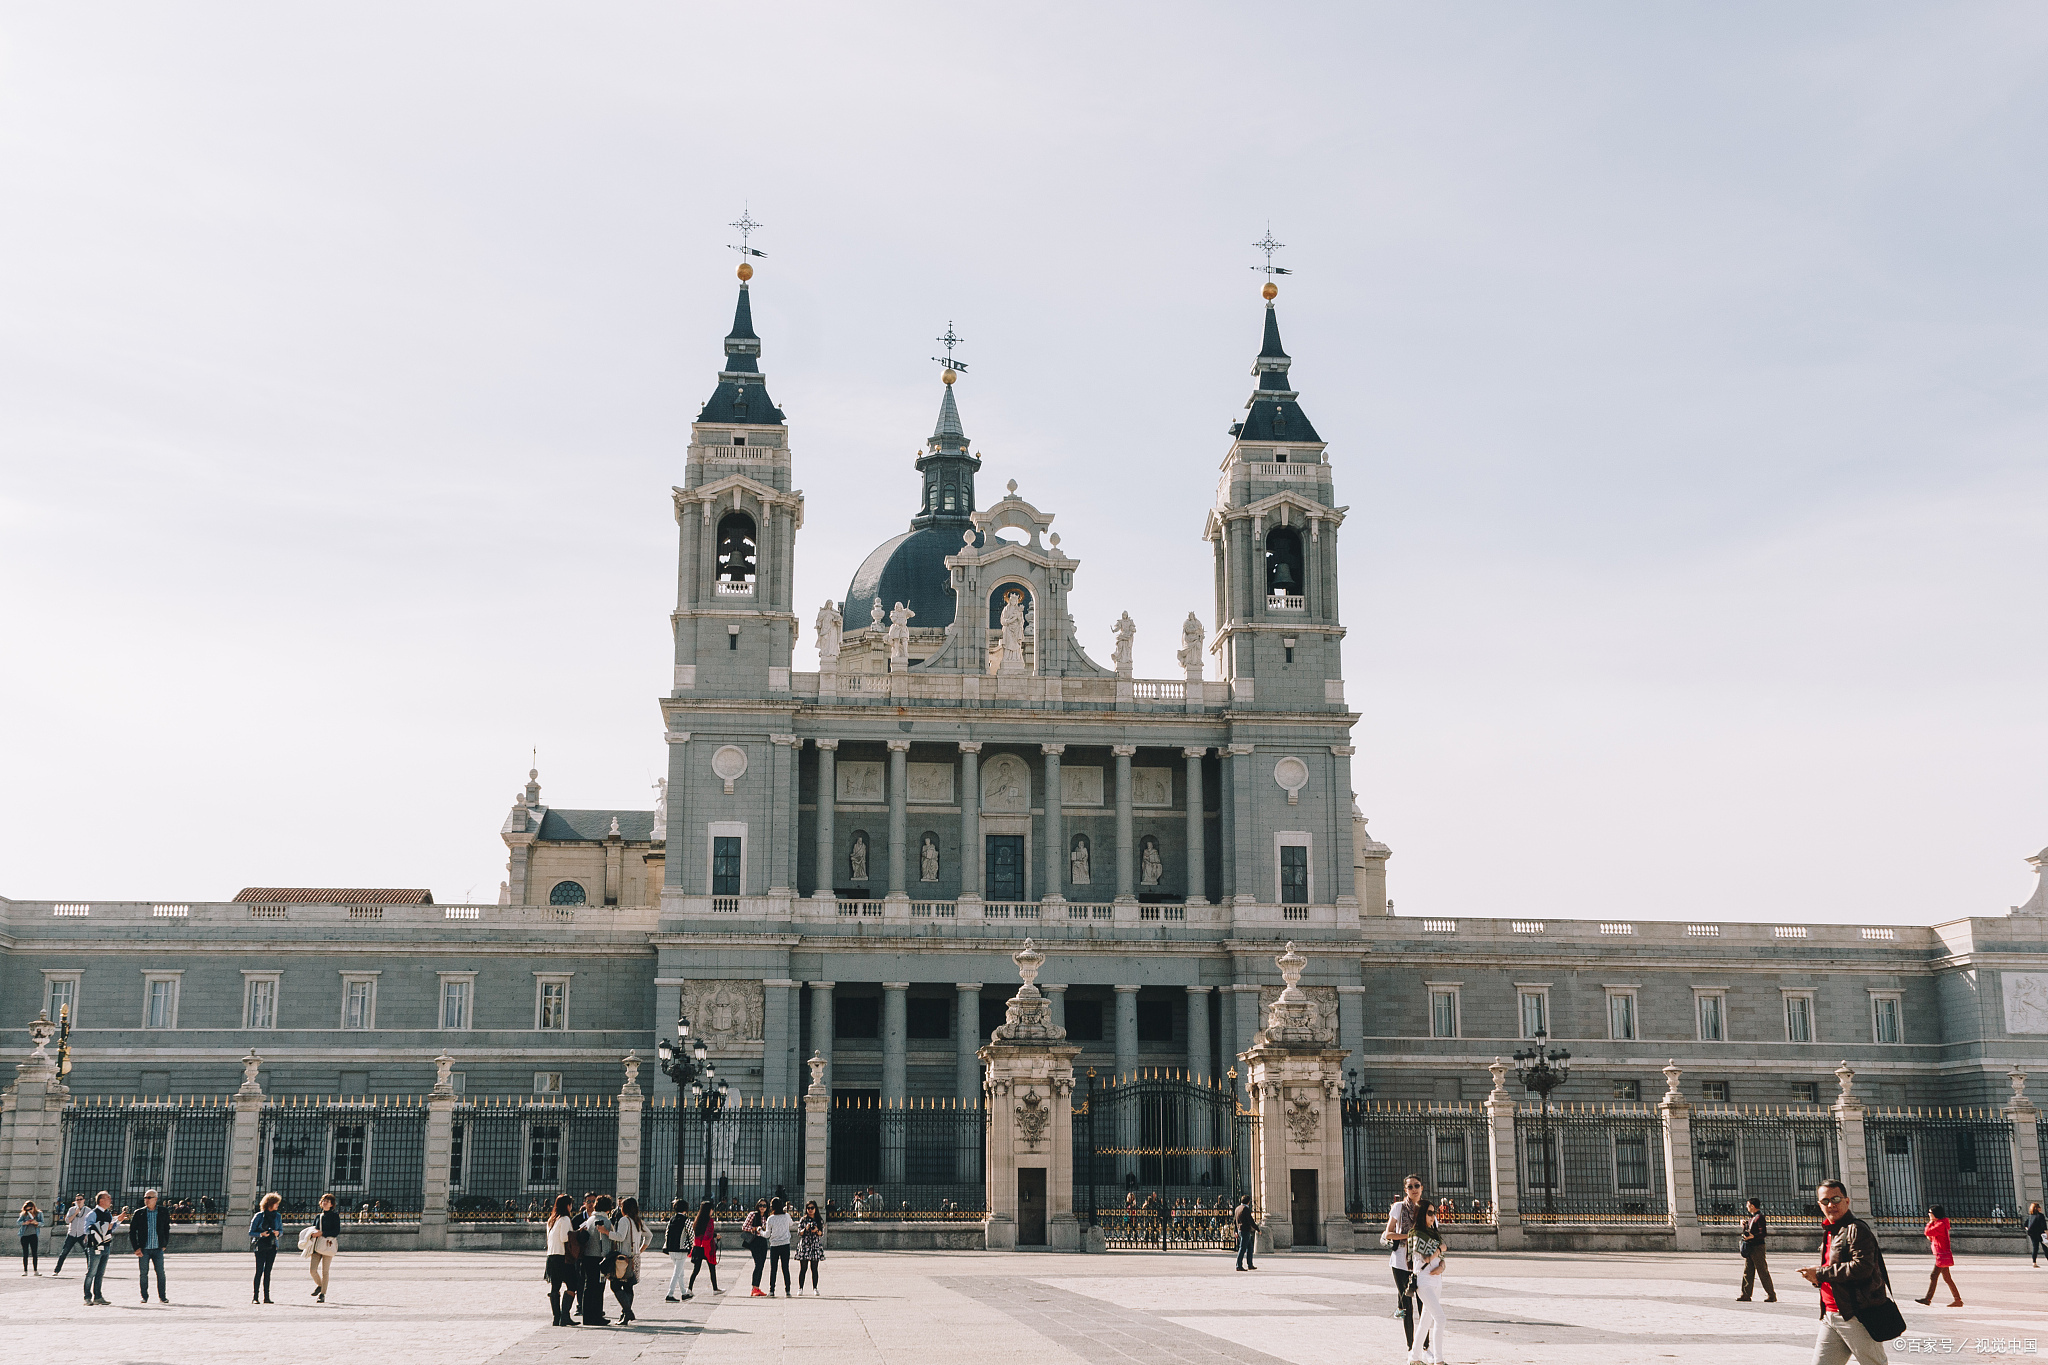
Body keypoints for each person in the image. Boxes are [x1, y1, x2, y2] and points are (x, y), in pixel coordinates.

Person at [1797, 1178, 1899, 1365]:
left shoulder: (1856, 1229)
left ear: (1847, 1201)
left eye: (1836, 1199)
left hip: (1856, 1314)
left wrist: (1820, 1273)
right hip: (1831, 1314)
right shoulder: (1830, 1230)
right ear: (1819, 1205)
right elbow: (1836, 1268)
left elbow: (1862, 1267)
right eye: (1825, 1201)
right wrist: (1816, 1277)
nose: (1831, 1205)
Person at [1383, 1175, 1430, 1356]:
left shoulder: (1427, 1209)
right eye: (1410, 1187)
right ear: (1405, 1190)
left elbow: (1433, 1234)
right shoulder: (1398, 1207)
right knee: (1407, 1305)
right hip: (1400, 1261)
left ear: (1422, 1187)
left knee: (1423, 1304)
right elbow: (1389, 1234)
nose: (1414, 1189)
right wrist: (1410, 1236)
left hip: (1420, 1262)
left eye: (1416, 1186)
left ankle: (1424, 1345)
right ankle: (1411, 1346)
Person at [1402, 1201, 1447, 1365]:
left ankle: (1414, 1357)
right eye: (1429, 1213)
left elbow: (1440, 1259)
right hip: (1424, 1280)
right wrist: (1441, 1249)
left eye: (1434, 1212)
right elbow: (1427, 1257)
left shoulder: (1434, 1233)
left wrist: (1442, 1265)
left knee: (1425, 1321)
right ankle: (1439, 1360)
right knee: (1440, 1318)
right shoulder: (1415, 1233)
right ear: (1421, 1214)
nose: (1433, 1216)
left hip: (1437, 1279)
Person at [128, 1189, 172, 1303]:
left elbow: (167, 1228)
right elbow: (132, 1231)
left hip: (158, 1248)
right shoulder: (139, 1213)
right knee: (143, 1274)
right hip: (144, 1249)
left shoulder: (163, 1211)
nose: (146, 1200)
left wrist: (164, 1244)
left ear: (155, 1199)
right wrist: (136, 1248)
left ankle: (162, 1296)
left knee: (161, 1273)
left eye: (149, 1198)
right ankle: (144, 1296)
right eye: (145, 1198)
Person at [1914, 1204, 1962, 1307]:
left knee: (1934, 1275)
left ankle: (1928, 1299)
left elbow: (1927, 1232)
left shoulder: (1940, 1224)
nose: (1929, 1214)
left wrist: (1930, 1222)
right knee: (1947, 1278)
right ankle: (1957, 1300)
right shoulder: (1940, 1223)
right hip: (1942, 1254)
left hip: (1942, 1255)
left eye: (1930, 1213)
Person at [612, 1197, 649, 1326]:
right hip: (636, 1257)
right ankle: (625, 1315)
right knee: (628, 1286)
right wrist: (640, 1249)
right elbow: (649, 1236)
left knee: (615, 1285)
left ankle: (627, 1312)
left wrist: (607, 1232)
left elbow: (620, 1237)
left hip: (625, 1258)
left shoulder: (624, 1220)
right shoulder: (638, 1221)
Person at [579, 1195, 615, 1325]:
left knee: (588, 1287)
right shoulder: (606, 1222)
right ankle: (597, 1315)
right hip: (600, 1258)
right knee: (599, 1288)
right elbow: (609, 1241)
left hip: (587, 1257)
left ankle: (587, 1316)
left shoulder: (590, 1219)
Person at [545, 1195, 580, 1327]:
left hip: (551, 1256)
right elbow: (565, 1238)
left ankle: (556, 1317)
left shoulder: (551, 1219)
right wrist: (577, 1233)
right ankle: (565, 1315)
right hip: (562, 1257)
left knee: (555, 1287)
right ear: (567, 1205)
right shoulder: (565, 1219)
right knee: (572, 1285)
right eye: (570, 1204)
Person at [1738, 1197, 1778, 1303]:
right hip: (1750, 1247)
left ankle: (1771, 1295)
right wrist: (1744, 1226)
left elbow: (1763, 1233)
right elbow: (1749, 1232)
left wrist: (1753, 1237)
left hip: (1758, 1247)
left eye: (1747, 1205)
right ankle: (1745, 1294)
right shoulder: (1752, 1218)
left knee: (1762, 1271)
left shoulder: (1760, 1217)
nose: (1746, 1207)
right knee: (1748, 1271)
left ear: (1752, 1206)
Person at [80, 1191, 116, 1306]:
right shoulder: (93, 1213)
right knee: (91, 1272)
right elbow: (87, 1229)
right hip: (95, 1246)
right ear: (101, 1201)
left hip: (105, 1244)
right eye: (107, 1198)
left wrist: (117, 1221)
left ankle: (98, 1296)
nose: (110, 1200)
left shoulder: (107, 1213)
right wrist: (105, 1227)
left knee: (100, 1273)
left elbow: (111, 1229)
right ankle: (87, 1296)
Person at [305, 1191, 340, 1303]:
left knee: (325, 1271)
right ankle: (320, 1285)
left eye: (327, 1201)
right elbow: (314, 1228)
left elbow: (336, 1231)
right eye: (323, 1201)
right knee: (313, 1270)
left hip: (327, 1245)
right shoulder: (318, 1216)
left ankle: (323, 1294)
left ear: (331, 1204)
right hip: (317, 1246)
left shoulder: (335, 1216)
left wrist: (322, 1233)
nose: (325, 1203)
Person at [248, 1192, 283, 1303]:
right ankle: (255, 1297)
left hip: (272, 1245)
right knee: (259, 1271)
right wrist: (261, 1234)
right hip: (261, 1245)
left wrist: (278, 1233)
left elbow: (281, 1230)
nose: (277, 1205)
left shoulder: (277, 1216)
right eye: (276, 1203)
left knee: (268, 1271)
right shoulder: (259, 1216)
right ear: (270, 1204)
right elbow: (251, 1232)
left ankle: (266, 1297)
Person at [687, 1201, 721, 1299]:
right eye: (711, 1209)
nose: (712, 1211)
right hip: (706, 1247)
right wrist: (716, 1236)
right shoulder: (709, 1220)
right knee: (712, 1268)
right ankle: (715, 1289)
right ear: (709, 1210)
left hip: (697, 1247)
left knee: (696, 1269)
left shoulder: (697, 1220)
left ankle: (689, 1289)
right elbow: (709, 1234)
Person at [663, 1199, 692, 1302]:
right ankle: (670, 1294)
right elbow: (691, 1234)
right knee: (677, 1272)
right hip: (681, 1249)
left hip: (671, 1249)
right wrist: (691, 1246)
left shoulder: (672, 1219)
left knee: (680, 1271)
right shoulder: (686, 1220)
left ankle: (684, 1292)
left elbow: (667, 1233)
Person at [52, 1195, 89, 1275]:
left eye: (80, 1199)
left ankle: (90, 1269)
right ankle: (57, 1270)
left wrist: (87, 1234)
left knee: (88, 1252)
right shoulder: (72, 1209)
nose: (79, 1201)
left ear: (84, 1200)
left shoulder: (88, 1210)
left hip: (82, 1233)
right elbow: (67, 1221)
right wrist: (75, 1213)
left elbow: (90, 1223)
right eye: (77, 1200)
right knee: (64, 1252)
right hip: (72, 1233)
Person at [764, 1196, 793, 1298]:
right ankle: (788, 1290)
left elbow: (767, 1234)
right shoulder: (786, 1216)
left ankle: (772, 1290)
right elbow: (792, 1224)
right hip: (785, 1244)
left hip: (775, 1245)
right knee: (785, 1268)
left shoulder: (770, 1219)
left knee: (773, 1268)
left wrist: (760, 1231)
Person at [795, 1200, 825, 1296]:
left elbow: (821, 1234)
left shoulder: (819, 1220)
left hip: (815, 1245)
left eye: (812, 1208)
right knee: (803, 1268)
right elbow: (799, 1233)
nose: (810, 1210)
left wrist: (816, 1230)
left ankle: (815, 1288)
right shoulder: (803, 1220)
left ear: (815, 1209)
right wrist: (806, 1228)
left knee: (814, 1268)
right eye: (808, 1208)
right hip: (805, 1245)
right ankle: (800, 1288)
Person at [742, 1198, 770, 1296]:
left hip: (763, 1240)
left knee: (761, 1264)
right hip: (754, 1241)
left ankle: (757, 1287)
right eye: (761, 1205)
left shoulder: (768, 1216)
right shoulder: (753, 1215)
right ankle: (754, 1287)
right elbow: (744, 1227)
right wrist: (754, 1228)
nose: (762, 1207)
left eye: (764, 1206)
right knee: (758, 1263)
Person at [1232, 1194, 1258, 1271]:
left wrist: (1235, 1231)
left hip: (1240, 1230)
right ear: (1248, 1202)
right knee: (1242, 1248)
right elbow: (1250, 1221)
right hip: (1245, 1230)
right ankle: (1238, 1265)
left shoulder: (1237, 1208)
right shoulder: (1245, 1209)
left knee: (1249, 1247)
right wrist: (1257, 1229)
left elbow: (1234, 1221)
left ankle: (1250, 1264)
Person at [19, 1201, 42, 1275]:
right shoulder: (24, 1214)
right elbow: (18, 1222)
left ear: (33, 1207)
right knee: (25, 1253)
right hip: (24, 1235)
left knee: (34, 1253)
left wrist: (36, 1223)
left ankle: (35, 1270)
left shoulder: (39, 1214)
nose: (29, 1211)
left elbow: (42, 1223)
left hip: (33, 1235)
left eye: (30, 1209)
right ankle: (25, 1270)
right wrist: (25, 1223)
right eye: (27, 1210)